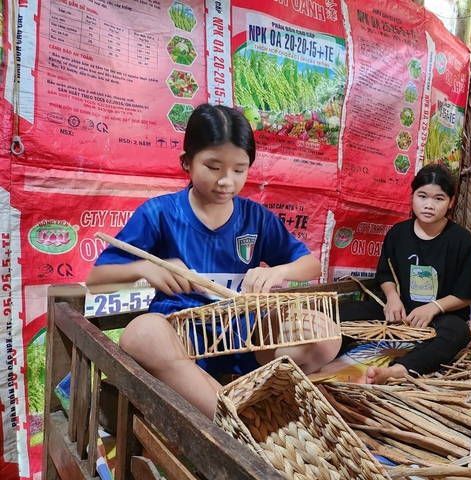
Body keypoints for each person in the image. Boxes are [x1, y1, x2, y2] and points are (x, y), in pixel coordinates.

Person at [85, 104, 340, 419]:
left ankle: (233, 401)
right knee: (141, 334)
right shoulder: (159, 213)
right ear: (187, 163)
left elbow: (310, 265)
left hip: (245, 338)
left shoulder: (256, 218)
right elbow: (97, 277)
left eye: (239, 169)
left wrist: (278, 271)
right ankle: (236, 419)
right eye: (213, 166)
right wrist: (144, 268)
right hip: (183, 343)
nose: (226, 181)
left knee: (325, 334)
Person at [340, 163, 471, 384]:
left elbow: (467, 293)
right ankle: (320, 350)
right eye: (422, 196)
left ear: (451, 202)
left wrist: (434, 307)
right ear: (412, 196)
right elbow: (385, 274)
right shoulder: (398, 234)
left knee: (458, 333)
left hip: (443, 315)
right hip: (401, 310)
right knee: (341, 311)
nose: (429, 205)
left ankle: (398, 370)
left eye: (439, 198)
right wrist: (393, 298)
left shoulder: (461, 240)